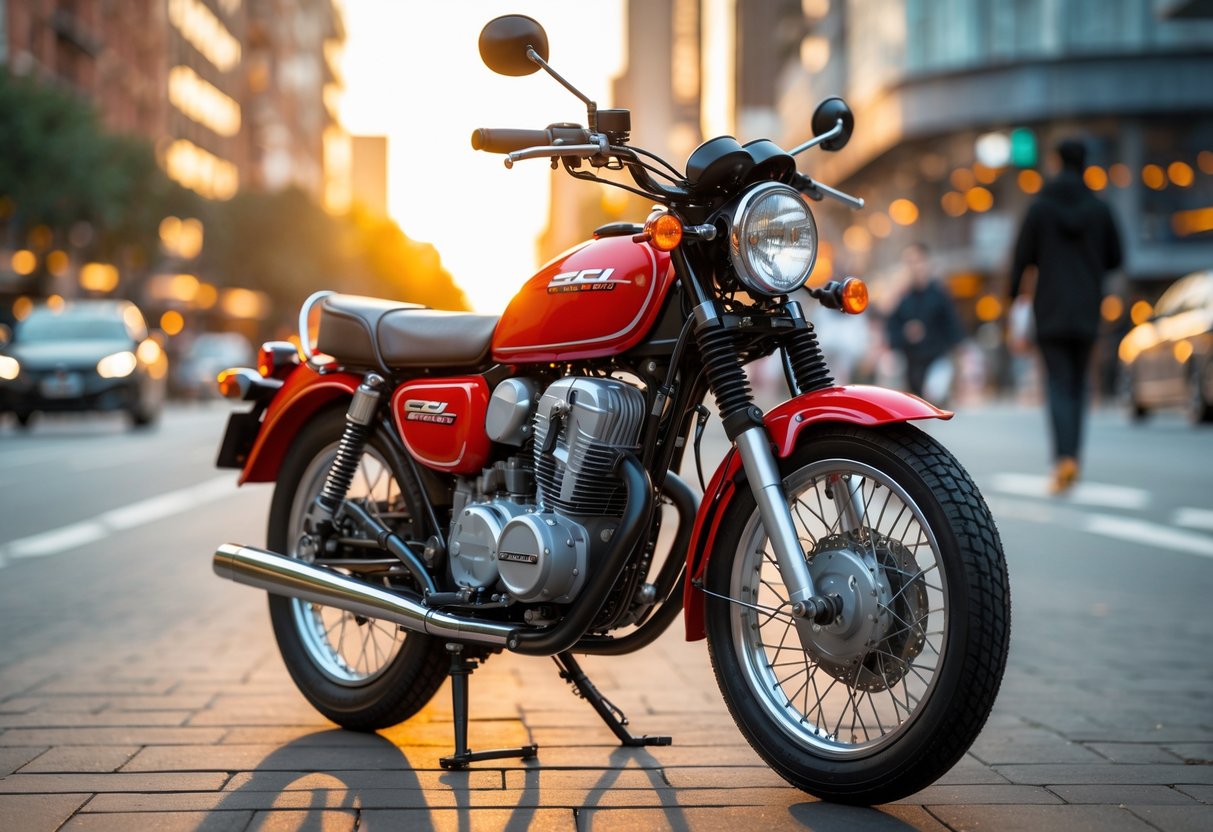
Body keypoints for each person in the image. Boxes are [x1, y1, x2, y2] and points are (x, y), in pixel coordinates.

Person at [1009, 138, 1122, 494]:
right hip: (1088, 308)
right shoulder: (1100, 208)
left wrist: (1014, 297)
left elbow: (1021, 257)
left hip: (1052, 309)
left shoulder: (1041, 207)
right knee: (1078, 384)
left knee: (1057, 384)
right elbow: (1117, 258)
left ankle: (1062, 461)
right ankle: (1073, 457)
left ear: (1057, 162)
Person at [885, 242, 965, 403]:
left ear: (927, 262)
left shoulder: (939, 294)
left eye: (918, 261)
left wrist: (962, 356)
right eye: (910, 262)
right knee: (889, 372)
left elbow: (953, 327)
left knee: (932, 396)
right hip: (910, 362)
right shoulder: (902, 296)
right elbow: (891, 326)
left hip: (936, 359)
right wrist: (905, 333)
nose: (915, 267)